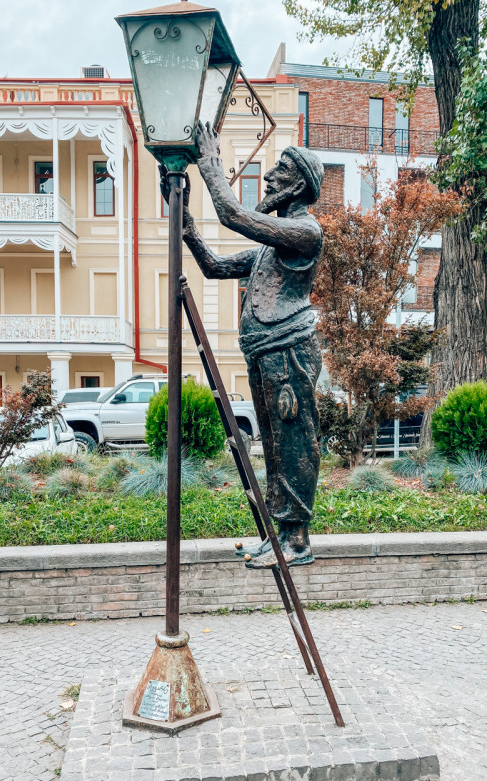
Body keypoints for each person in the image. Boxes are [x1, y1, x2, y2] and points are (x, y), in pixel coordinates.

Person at [161, 122, 325, 568]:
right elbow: (214, 267)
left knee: (292, 443)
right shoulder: (271, 248)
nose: (268, 177)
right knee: (272, 445)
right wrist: (188, 226)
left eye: (278, 170)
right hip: (265, 352)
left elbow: (232, 215)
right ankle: (277, 535)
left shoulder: (305, 233)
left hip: (289, 352)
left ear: (298, 185)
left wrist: (211, 163)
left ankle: (297, 541)